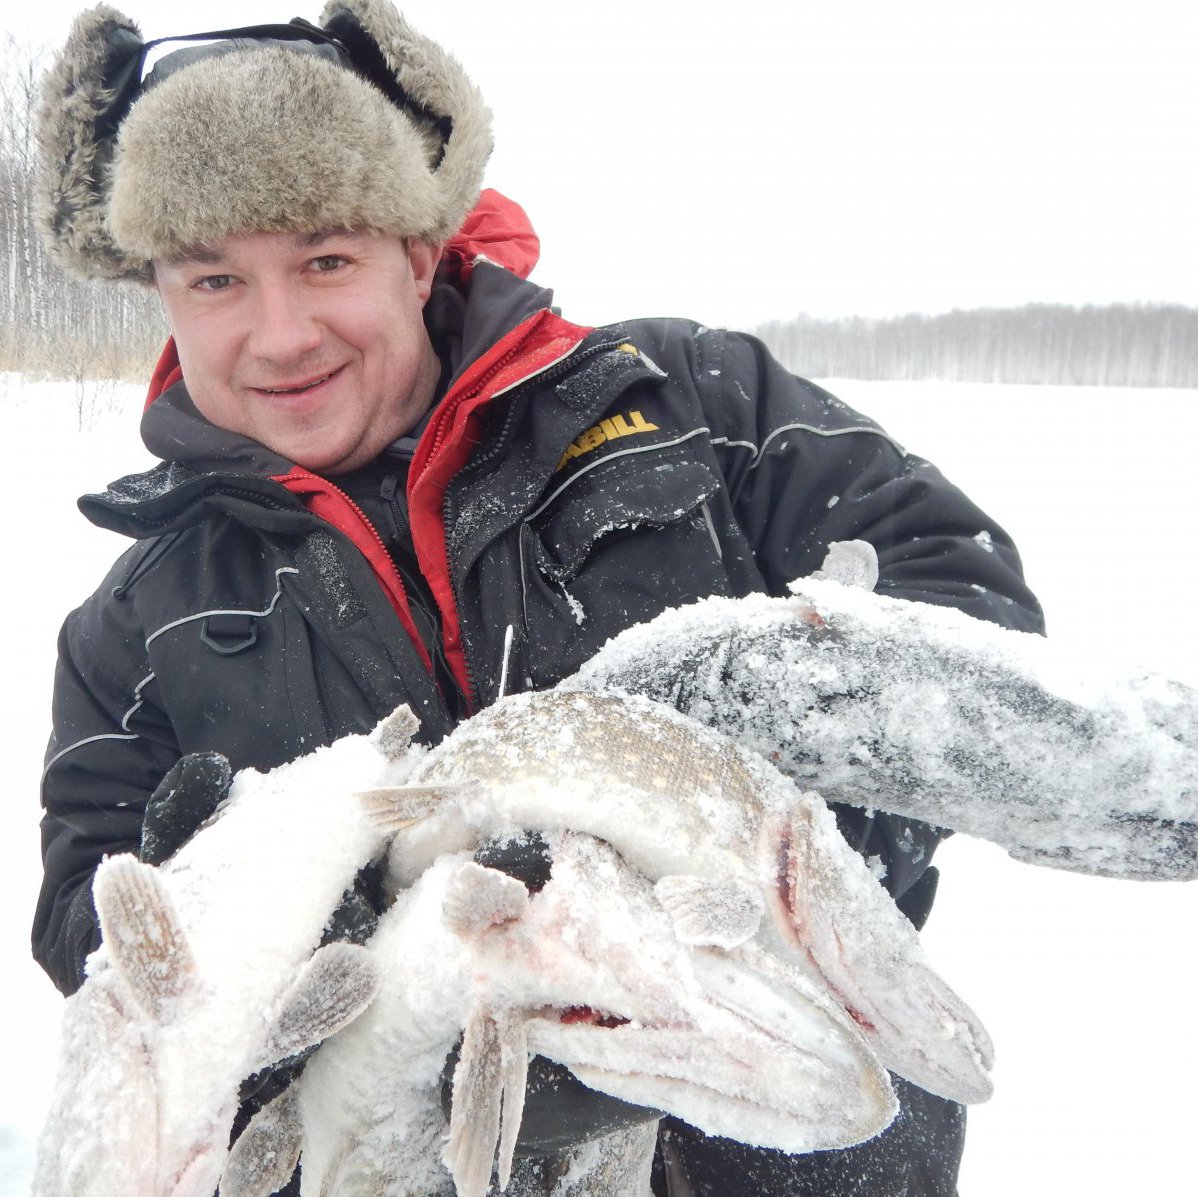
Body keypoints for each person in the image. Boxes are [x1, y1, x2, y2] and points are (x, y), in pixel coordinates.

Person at [32, 4, 1043, 1194]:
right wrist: (300, 919)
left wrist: (762, 865)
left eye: (325, 259)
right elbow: (89, 927)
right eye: (215, 280)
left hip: (797, 1144)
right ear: (162, 292)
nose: (280, 333)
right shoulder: (133, 620)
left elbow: (959, 604)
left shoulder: (699, 404)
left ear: (418, 253)